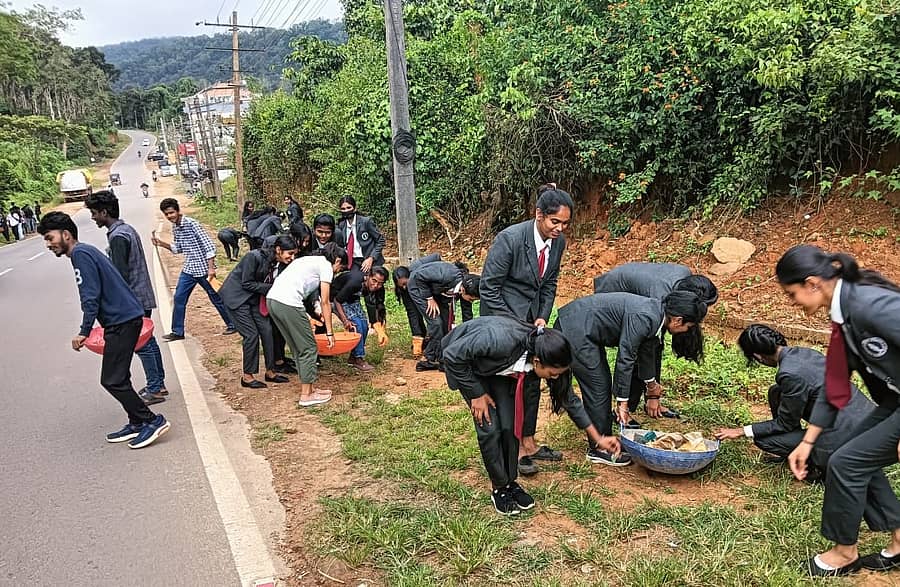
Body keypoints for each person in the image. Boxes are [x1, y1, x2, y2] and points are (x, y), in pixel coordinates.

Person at [775, 245, 900, 577]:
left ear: (813, 283)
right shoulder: (842, 315)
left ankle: (844, 553)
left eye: (792, 294)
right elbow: (835, 383)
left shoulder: (869, 306)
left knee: (846, 463)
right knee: (846, 456)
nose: (792, 303)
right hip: (894, 400)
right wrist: (807, 441)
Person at [442, 316, 621, 515]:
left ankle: (510, 482)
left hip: (499, 370)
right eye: (553, 373)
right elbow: (452, 355)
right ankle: (499, 487)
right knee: (490, 429)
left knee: (509, 426)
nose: (555, 377)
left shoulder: (544, 356)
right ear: (537, 361)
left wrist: (598, 438)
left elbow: (570, 401)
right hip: (469, 369)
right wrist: (476, 394)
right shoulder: (498, 340)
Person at [38, 212, 170, 449]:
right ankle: (137, 421)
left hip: (123, 322)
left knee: (112, 379)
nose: (48, 244)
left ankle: (152, 420)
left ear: (66, 234)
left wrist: (84, 331)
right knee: (119, 376)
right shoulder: (85, 251)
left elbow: (90, 296)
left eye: (50, 238)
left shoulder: (80, 255)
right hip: (122, 320)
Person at [479, 187, 573, 476]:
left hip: (534, 322)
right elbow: (488, 289)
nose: (559, 229)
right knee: (512, 385)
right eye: (554, 222)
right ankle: (514, 447)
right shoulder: (509, 240)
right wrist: (517, 324)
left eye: (565, 224)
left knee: (533, 380)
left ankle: (529, 441)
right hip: (503, 322)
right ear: (538, 215)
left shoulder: (558, 244)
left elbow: (550, 283)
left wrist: (543, 316)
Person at [555, 291, 709, 466]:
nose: (686, 331)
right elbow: (626, 357)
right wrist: (622, 403)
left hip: (584, 327)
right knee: (599, 386)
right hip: (575, 329)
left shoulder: (656, 315)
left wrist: (651, 384)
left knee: (601, 383)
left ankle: (606, 439)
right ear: (678, 320)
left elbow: (645, 352)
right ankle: (599, 447)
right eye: (688, 326)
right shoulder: (644, 317)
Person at [715, 324, 872, 481]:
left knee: (764, 440)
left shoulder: (789, 374)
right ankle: (794, 444)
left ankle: (814, 468)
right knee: (776, 391)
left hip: (845, 435)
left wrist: (742, 430)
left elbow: (785, 423)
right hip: (863, 419)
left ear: (758, 356)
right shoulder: (805, 353)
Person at [593, 262, 720, 421]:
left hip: (633, 290)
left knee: (653, 348)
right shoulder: (658, 299)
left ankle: (648, 400)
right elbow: (644, 350)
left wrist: (653, 393)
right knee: (638, 351)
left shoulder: (684, 280)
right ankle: (625, 410)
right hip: (610, 293)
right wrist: (653, 395)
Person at [86, 191, 169, 405]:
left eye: (94, 213)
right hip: (139, 294)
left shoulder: (118, 237)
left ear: (104, 212)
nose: (93, 218)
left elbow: (119, 275)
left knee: (142, 345)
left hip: (133, 300)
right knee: (147, 341)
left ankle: (155, 387)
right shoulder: (125, 229)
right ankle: (157, 384)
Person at [266, 242, 348, 407]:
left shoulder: (308, 261)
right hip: (288, 303)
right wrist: (330, 332)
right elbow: (325, 301)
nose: (337, 272)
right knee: (309, 347)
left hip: (273, 300)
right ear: (337, 261)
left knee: (298, 347)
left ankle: (310, 389)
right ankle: (306, 395)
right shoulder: (325, 266)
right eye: (340, 268)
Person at [151, 197, 236, 341]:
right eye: (166, 214)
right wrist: (161, 243)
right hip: (190, 269)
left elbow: (209, 246)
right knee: (179, 298)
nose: (169, 216)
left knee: (216, 298)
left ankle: (233, 324)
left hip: (204, 269)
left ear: (177, 211)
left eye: (171, 212)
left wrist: (211, 268)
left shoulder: (192, 224)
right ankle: (177, 331)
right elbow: (178, 248)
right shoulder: (175, 227)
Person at [219, 235, 298, 389]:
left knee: (267, 330)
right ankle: (247, 376)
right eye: (290, 254)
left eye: (294, 254)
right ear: (278, 250)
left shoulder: (281, 263)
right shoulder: (253, 257)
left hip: (255, 299)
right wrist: (273, 288)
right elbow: (246, 283)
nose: (292, 257)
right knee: (251, 335)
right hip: (237, 298)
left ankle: (271, 371)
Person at [407, 260, 480, 371]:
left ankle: (442, 358)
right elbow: (418, 276)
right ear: (463, 290)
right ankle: (429, 359)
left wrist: (467, 333)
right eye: (471, 299)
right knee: (436, 323)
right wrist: (429, 298)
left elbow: (467, 314)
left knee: (446, 323)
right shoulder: (447, 275)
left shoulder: (465, 289)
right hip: (418, 286)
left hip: (438, 291)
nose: (471, 302)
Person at [332, 266, 389, 371]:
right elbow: (337, 300)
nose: (376, 285)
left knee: (364, 325)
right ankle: (359, 358)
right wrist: (345, 320)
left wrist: (380, 330)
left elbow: (377, 307)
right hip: (337, 299)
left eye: (380, 283)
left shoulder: (379, 289)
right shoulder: (355, 283)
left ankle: (353, 357)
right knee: (356, 325)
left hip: (353, 298)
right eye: (374, 281)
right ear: (368, 277)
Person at [392, 253, 442, 357]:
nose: (405, 287)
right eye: (401, 286)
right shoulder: (404, 291)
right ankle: (424, 339)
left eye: (406, 284)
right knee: (415, 313)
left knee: (436, 318)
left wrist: (438, 271)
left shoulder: (419, 268)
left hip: (434, 291)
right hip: (420, 294)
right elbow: (412, 313)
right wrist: (417, 337)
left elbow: (436, 256)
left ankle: (438, 343)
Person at [334, 196, 385, 273]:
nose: (346, 210)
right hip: (353, 262)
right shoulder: (341, 226)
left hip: (369, 259)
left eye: (349, 207)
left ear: (355, 208)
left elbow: (380, 240)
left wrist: (371, 258)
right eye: (343, 209)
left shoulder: (366, 222)